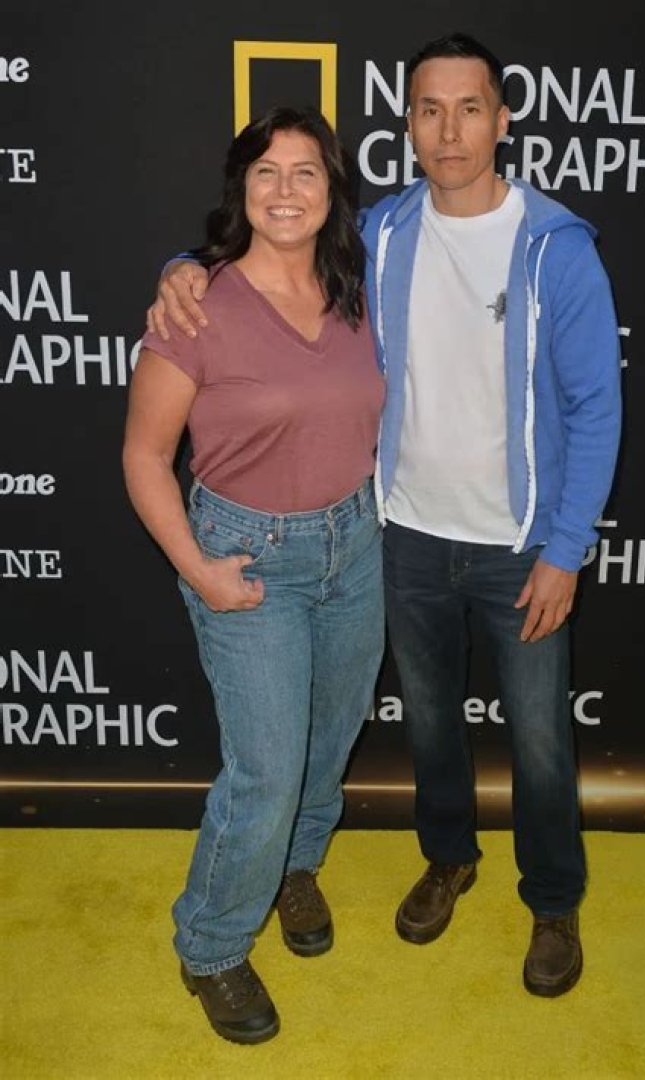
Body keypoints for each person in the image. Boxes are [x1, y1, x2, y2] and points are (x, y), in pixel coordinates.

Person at [148, 33, 622, 999]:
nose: (449, 131)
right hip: (400, 536)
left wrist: (567, 547)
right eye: (429, 110)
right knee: (434, 726)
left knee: (539, 739)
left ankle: (553, 901)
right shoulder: (385, 233)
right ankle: (449, 860)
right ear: (408, 124)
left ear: (502, 119)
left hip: (521, 543)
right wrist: (181, 266)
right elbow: (270, 239)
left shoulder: (557, 247)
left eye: (469, 108)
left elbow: (596, 406)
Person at [124, 106, 385, 1044]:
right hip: (248, 555)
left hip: (357, 545)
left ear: (331, 190)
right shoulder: (198, 307)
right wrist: (197, 569)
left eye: (305, 171)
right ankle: (211, 945)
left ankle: (295, 868)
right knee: (267, 769)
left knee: (329, 739)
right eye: (266, 171)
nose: (285, 189)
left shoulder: (361, 287)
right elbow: (144, 457)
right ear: (241, 188)